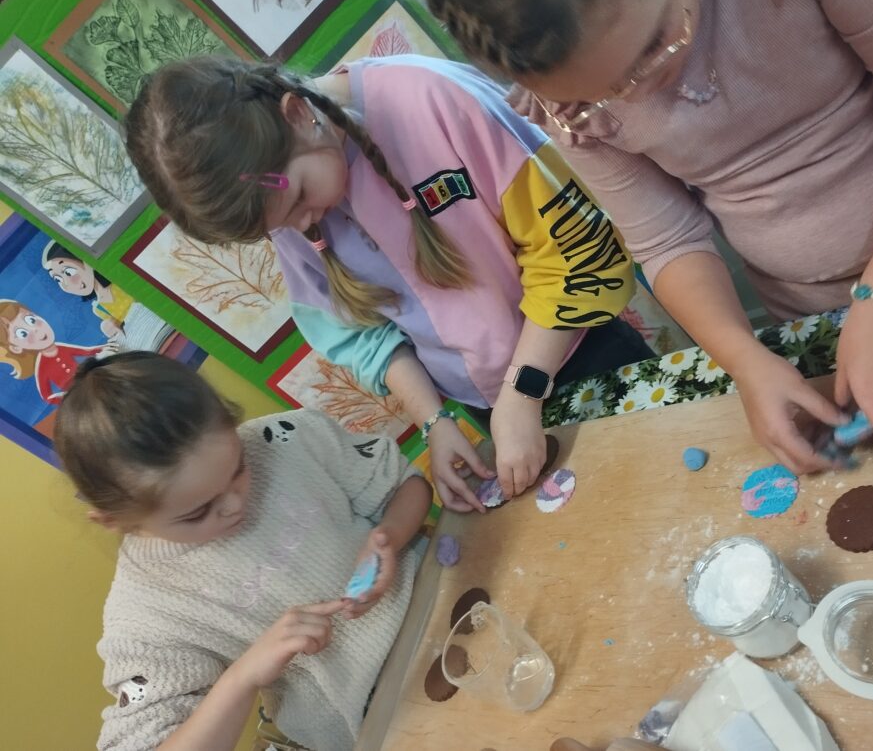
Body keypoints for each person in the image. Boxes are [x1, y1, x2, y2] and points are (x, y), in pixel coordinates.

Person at [425, 0, 873, 474]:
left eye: (652, 47)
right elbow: (666, 239)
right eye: (596, 97)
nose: (634, 95)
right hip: (814, 308)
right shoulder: (567, 104)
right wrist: (745, 360)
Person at [123, 54, 650, 510]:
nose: (303, 225)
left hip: (580, 350)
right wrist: (434, 423)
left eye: (300, 199)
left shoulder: (431, 101)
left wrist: (522, 391)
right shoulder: (282, 199)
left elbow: (578, 253)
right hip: (493, 405)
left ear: (298, 114)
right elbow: (361, 334)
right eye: (279, 227)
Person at [53, 351, 433, 751]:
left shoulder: (283, 438)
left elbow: (406, 485)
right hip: (382, 719)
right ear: (115, 519)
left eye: (238, 469)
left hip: (442, 600)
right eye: (198, 512)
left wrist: (390, 535)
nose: (235, 504)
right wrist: (244, 676)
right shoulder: (144, 612)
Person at [0, 299, 108, 403]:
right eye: (22, 333)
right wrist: (67, 398)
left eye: (31, 320)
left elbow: (86, 352)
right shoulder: (41, 367)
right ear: (16, 348)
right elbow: (47, 396)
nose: (34, 329)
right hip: (82, 397)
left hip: (94, 381)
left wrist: (106, 346)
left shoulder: (61, 348)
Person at [42, 241, 134, 338]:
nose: (66, 284)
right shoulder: (98, 308)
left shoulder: (119, 281)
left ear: (86, 262)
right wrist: (110, 329)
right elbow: (121, 331)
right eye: (58, 279)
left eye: (69, 272)